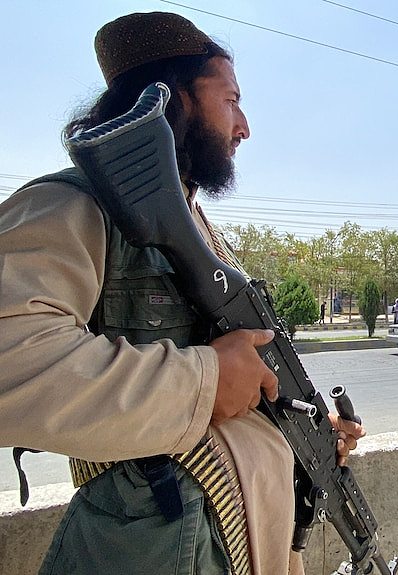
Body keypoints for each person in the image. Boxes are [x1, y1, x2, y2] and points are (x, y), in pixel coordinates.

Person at [0, 12, 364, 575]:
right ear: (176, 100)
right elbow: (11, 360)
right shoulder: (74, 206)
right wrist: (205, 379)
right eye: (232, 99)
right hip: (151, 546)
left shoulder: (196, 230)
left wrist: (306, 428)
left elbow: (239, 386)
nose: (244, 126)